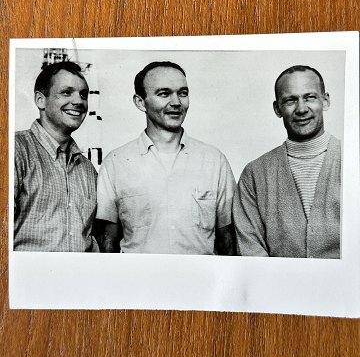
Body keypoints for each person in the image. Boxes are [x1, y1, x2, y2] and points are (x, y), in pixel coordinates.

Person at [96, 61, 236, 255]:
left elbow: (227, 240)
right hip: (140, 283)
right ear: (140, 102)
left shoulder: (214, 161)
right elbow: (107, 241)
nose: (176, 102)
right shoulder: (116, 163)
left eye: (183, 93)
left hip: (198, 282)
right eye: (164, 94)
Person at [233, 65, 341, 258]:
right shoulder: (254, 175)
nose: (301, 109)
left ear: (325, 101)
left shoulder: (352, 160)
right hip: (277, 286)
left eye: (310, 97)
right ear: (277, 108)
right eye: (291, 100)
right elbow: (251, 252)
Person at [14, 61, 99, 252]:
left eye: (83, 94)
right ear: (40, 100)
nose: (78, 101)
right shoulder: (15, 150)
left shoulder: (87, 169)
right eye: (66, 92)